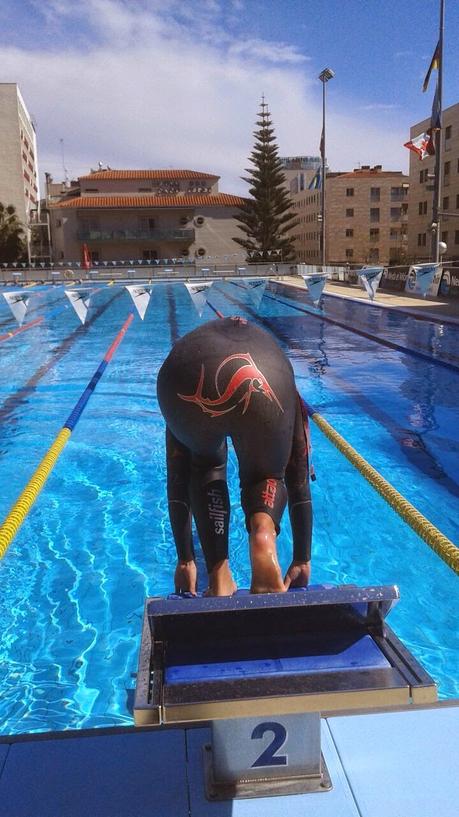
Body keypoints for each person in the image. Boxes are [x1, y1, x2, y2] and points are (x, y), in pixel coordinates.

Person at [157, 316, 313, 596]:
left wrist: (185, 559)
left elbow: (177, 468)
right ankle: (263, 536)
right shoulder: (282, 372)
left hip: (184, 372)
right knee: (266, 475)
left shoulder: (191, 345)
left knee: (203, 465)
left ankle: (218, 575)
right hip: (267, 371)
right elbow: (297, 466)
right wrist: (302, 557)